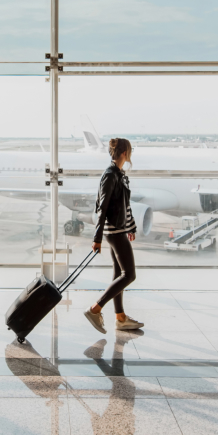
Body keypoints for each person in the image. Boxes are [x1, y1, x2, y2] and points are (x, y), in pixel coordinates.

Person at [84, 137, 144, 333]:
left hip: (120, 230)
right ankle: (95, 308)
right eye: (130, 150)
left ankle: (120, 317)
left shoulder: (119, 174)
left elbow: (125, 205)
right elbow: (102, 208)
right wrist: (97, 238)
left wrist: (131, 226)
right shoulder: (110, 175)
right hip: (114, 232)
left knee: (119, 274)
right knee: (130, 274)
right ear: (125, 153)